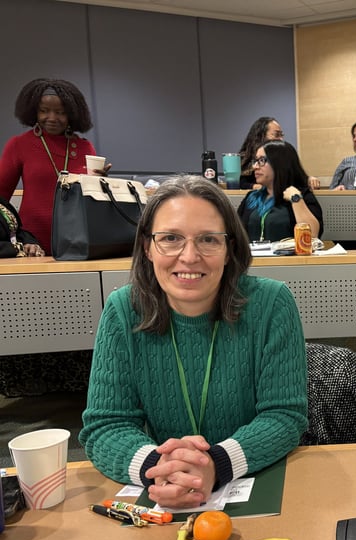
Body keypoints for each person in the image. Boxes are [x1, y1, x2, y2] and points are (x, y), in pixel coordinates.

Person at [79, 175, 308, 509]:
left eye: (208, 240)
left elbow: (284, 416)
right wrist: (159, 469)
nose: (189, 256)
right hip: (164, 487)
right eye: (170, 238)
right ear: (147, 247)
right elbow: (106, 426)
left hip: (255, 479)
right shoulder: (122, 310)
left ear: (229, 250)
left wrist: (215, 464)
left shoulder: (271, 303)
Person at [0, 78, 111, 253]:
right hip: (31, 245)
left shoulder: (85, 148)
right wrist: (13, 239)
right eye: (44, 111)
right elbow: (1, 198)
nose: (52, 118)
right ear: (34, 112)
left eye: (60, 112)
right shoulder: (19, 145)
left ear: (72, 114)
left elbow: (92, 203)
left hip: (78, 241)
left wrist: (100, 184)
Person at [237, 140, 323, 242]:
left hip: (289, 253)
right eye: (255, 161)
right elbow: (235, 233)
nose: (255, 166)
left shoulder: (302, 196)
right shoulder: (251, 197)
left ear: (279, 163)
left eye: (261, 160)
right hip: (252, 252)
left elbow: (312, 237)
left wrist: (296, 199)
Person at [237, 116, 320, 190]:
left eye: (281, 135)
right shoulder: (244, 160)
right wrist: (255, 187)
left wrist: (308, 179)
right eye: (276, 135)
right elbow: (240, 183)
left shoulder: (285, 156)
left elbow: (296, 178)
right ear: (260, 136)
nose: (281, 139)